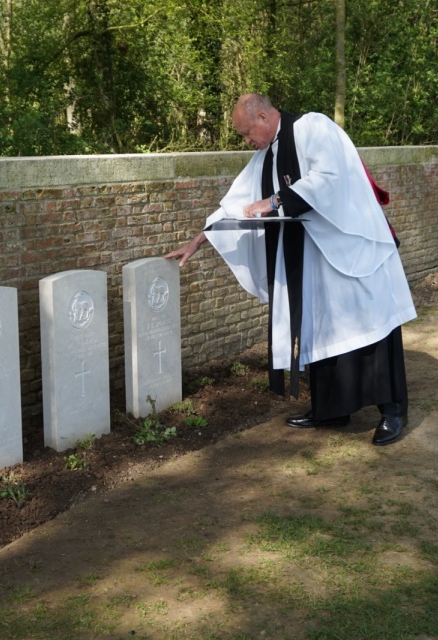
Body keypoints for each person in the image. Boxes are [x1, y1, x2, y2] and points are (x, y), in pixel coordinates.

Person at [165, 94, 416, 446]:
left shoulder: (313, 126)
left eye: (246, 132)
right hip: (319, 260)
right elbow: (238, 202)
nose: (246, 141)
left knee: (371, 327)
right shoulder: (267, 154)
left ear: (264, 116)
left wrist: (275, 200)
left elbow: (329, 176)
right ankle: (332, 409)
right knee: (324, 330)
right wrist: (200, 238)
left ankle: (392, 412)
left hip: (354, 251)